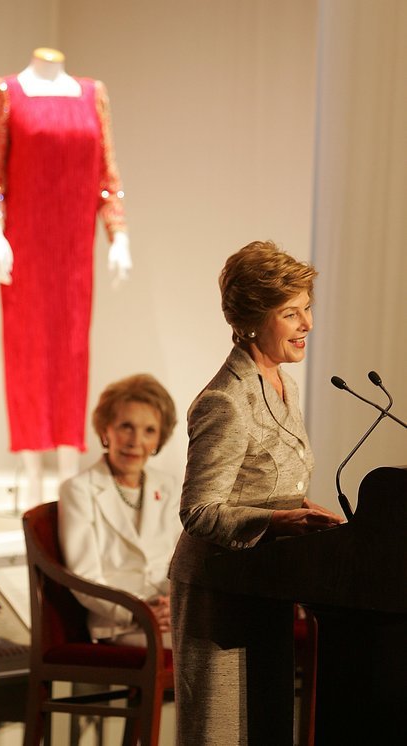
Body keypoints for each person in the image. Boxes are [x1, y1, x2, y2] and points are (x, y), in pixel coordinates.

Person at [169, 240, 344, 745]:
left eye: (307, 307)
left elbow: (272, 486)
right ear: (251, 319)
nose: (307, 324)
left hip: (268, 584)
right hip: (218, 593)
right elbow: (199, 510)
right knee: (221, 734)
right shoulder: (226, 399)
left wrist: (303, 512)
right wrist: (280, 522)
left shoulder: (281, 385)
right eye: (291, 313)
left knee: (266, 730)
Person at [0, 47, 131, 504]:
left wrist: (117, 233)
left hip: (74, 251)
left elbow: (107, 175)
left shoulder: (92, 95)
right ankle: (30, 470)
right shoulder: (6, 93)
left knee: (71, 350)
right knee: (26, 350)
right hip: (25, 244)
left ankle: (67, 469)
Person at [58, 374, 181, 647]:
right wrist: (140, 613)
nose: (135, 441)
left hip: (170, 618)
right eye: (126, 426)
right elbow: (84, 575)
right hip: (119, 624)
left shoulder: (169, 486)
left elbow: (181, 560)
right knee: (206, 654)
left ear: (159, 438)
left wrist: (175, 606)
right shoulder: (78, 490)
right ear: (106, 430)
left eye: (149, 430)